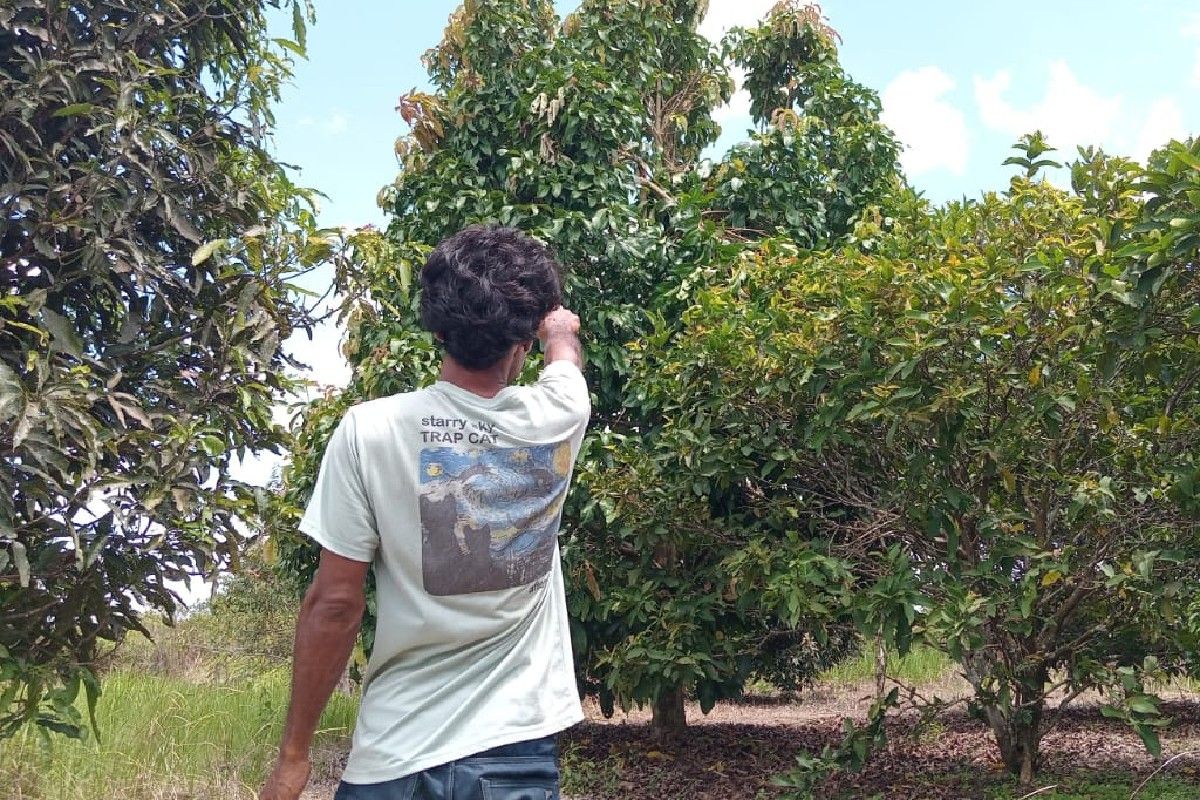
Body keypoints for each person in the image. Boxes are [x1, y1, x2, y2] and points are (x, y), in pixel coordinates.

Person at [260, 225, 589, 800]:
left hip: (394, 753)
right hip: (512, 751)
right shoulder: (558, 416)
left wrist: (294, 756)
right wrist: (558, 329)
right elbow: (566, 360)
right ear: (523, 339)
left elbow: (335, 604)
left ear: (437, 329)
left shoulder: (371, 430)